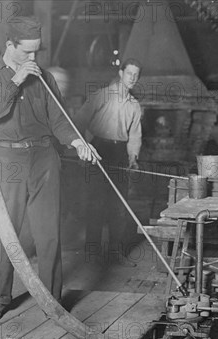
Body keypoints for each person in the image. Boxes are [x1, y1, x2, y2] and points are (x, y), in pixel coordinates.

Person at [0, 16, 100, 323]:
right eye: (26, 53)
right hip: (8, 159)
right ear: (9, 45)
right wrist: (16, 79)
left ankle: (52, 300)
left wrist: (77, 142)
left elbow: (58, 120)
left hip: (45, 156)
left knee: (49, 233)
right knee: (6, 231)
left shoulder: (44, 77)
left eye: (36, 52)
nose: (33, 59)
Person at [74, 58, 142, 266]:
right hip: (98, 150)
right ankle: (92, 253)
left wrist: (133, 158)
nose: (132, 78)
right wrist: (82, 147)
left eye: (136, 75)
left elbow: (135, 136)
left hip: (120, 153)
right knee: (95, 202)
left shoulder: (134, 105)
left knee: (118, 205)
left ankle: (115, 252)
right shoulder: (102, 95)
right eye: (129, 73)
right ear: (121, 73)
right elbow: (79, 120)